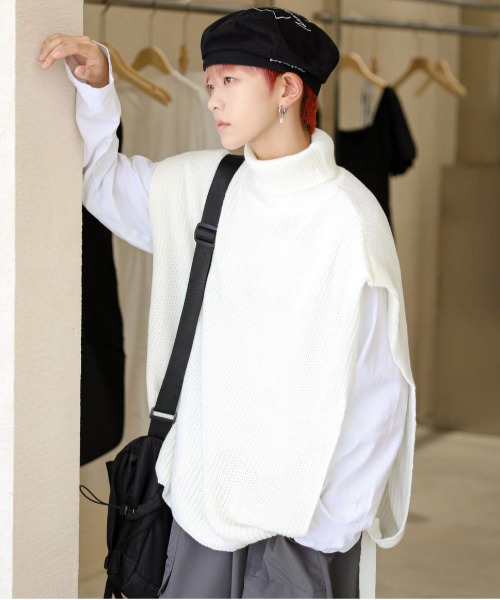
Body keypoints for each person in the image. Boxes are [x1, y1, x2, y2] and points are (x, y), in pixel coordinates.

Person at [39, 7, 416, 599]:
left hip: (302, 530)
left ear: (287, 88)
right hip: (198, 514)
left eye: (230, 81)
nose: (212, 98)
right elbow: (102, 182)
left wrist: (329, 528)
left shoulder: (349, 219)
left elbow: (379, 394)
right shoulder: (203, 186)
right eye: (210, 82)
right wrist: (97, 88)